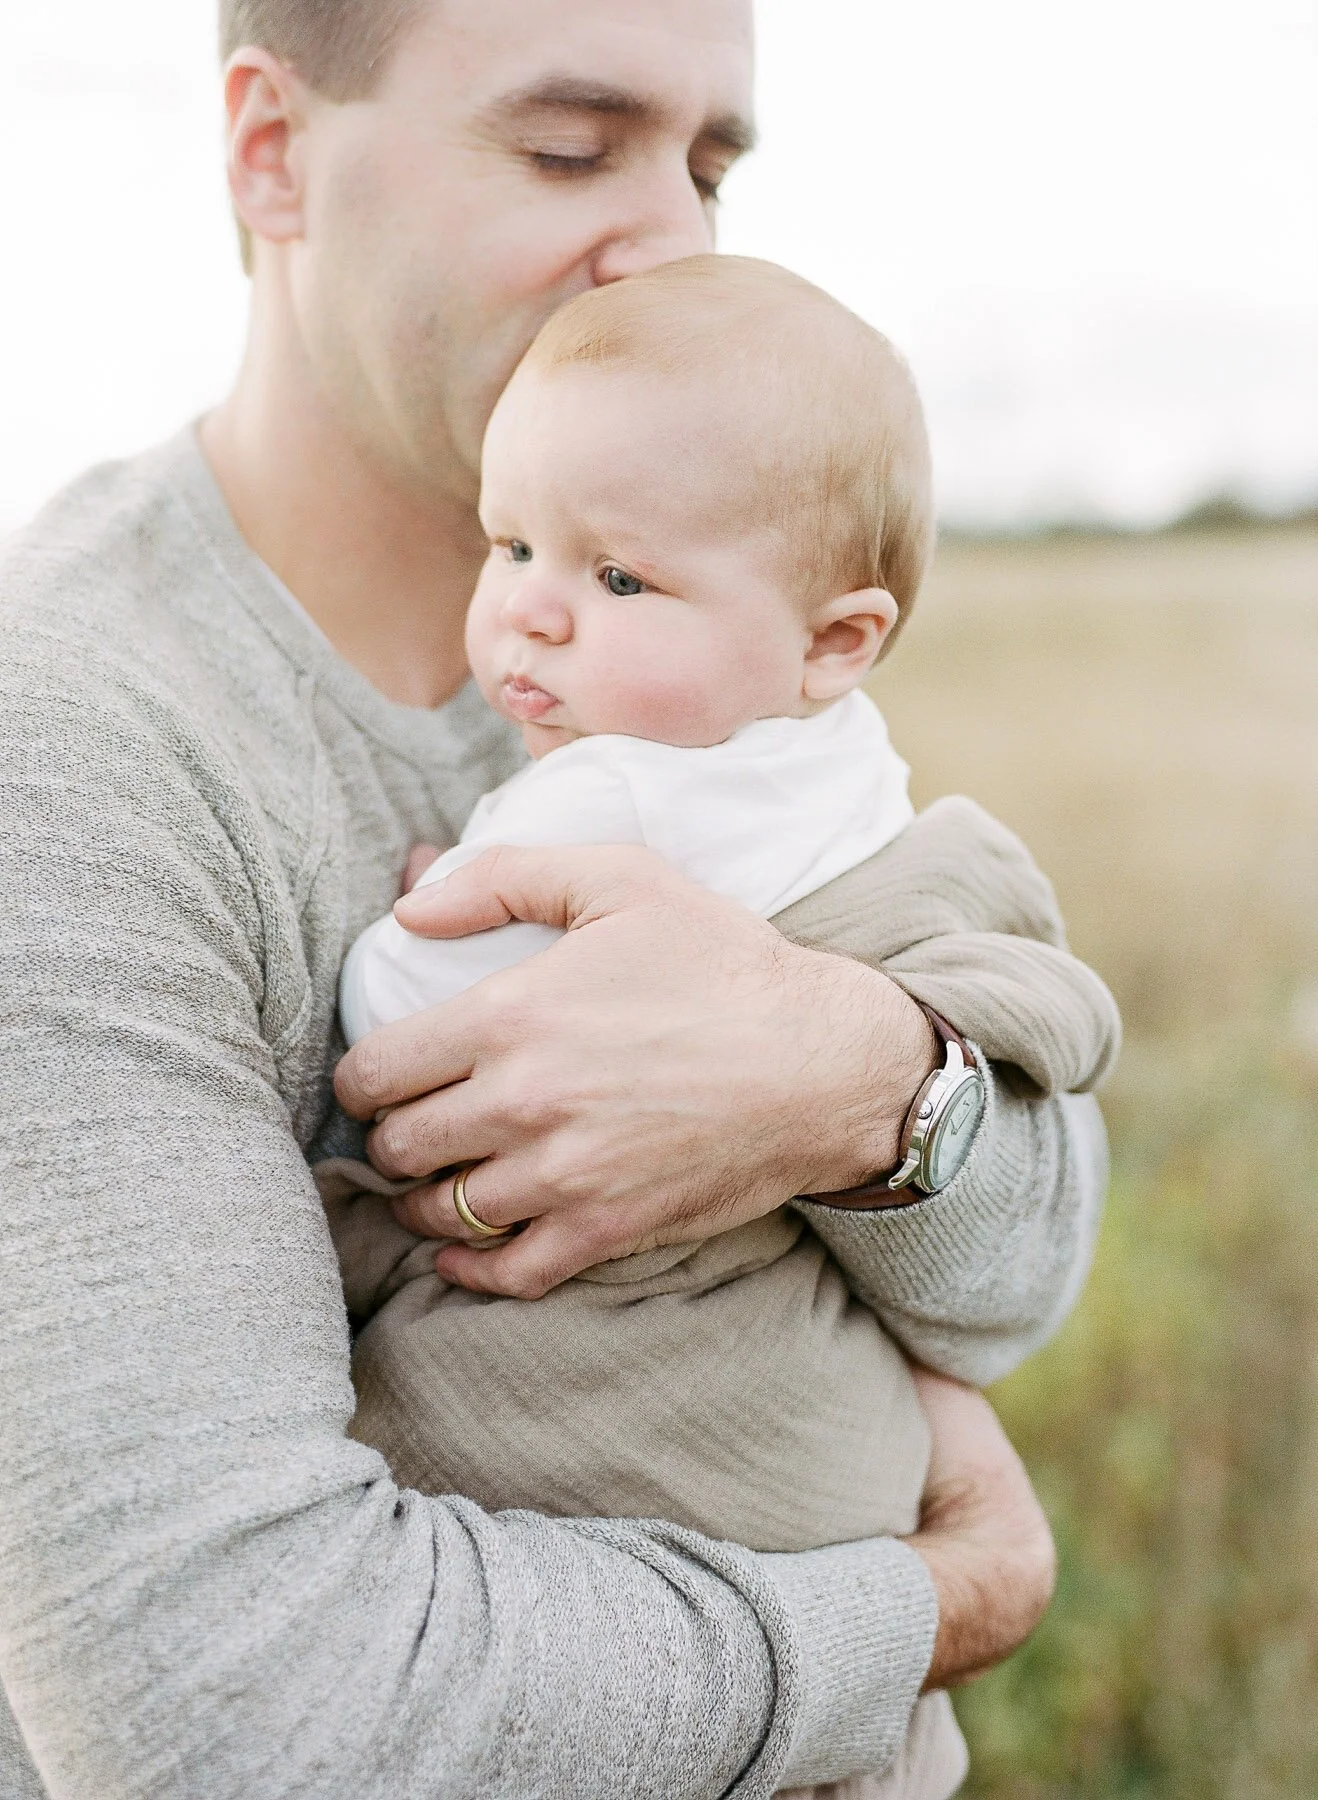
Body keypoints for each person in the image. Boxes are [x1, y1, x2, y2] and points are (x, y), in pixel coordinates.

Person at [0, 3, 1105, 1795]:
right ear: (272, 154)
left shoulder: (678, 647)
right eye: (568, 148)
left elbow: (1014, 1284)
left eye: (709, 167)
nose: (668, 239)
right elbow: (223, 1719)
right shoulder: (69, 755)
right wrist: (919, 1610)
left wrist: (854, 1082)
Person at [324, 254, 1121, 1800]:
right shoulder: (843, 770)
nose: (531, 611)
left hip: (630, 1456)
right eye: (511, 544)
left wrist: (420, 914)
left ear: (834, 639)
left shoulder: (610, 790)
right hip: (838, 1500)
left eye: (619, 580)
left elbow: (393, 1026)